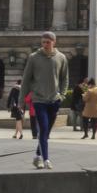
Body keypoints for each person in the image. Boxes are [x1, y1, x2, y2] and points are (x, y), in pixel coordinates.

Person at [19, 31, 66, 169]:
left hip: (54, 100)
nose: (45, 45)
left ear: (54, 42)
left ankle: (37, 156)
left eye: (48, 42)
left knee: (46, 132)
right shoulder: (33, 57)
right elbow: (26, 80)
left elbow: (65, 78)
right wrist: (21, 101)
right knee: (44, 128)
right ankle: (46, 160)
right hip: (39, 100)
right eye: (43, 42)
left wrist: (62, 95)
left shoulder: (61, 58)